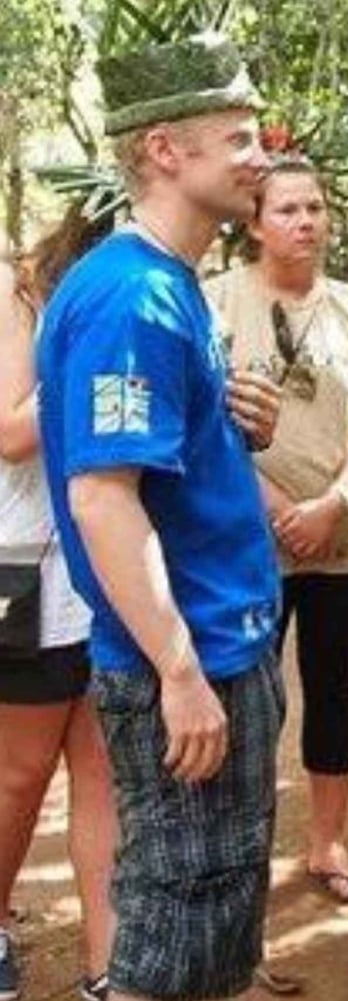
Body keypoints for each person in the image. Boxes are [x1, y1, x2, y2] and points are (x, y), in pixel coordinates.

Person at [35, 30, 284, 1001]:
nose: (258, 154)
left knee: (210, 910)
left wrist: (234, 424)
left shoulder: (167, 284)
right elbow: (102, 496)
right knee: (174, 925)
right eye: (238, 138)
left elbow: (153, 464)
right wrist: (180, 668)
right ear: (165, 152)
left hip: (224, 640)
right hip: (189, 656)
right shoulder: (132, 295)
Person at [204, 155, 348, 906]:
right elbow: (202, 420)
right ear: (254, 223)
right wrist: (277, 510)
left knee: (333, 688)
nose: (306, 221)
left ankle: (328, 845)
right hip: (249, 535)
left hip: (346, 536)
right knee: (249, 695)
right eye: (287, 209)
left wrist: (336, 501)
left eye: (316, 207)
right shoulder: (215, 301)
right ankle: (239, 861)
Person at [0, 206, 117, 1001]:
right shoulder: (21, 297)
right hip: (22, 563)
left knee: (104, 771)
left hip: (104, 558)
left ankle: (106, 963)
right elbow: (10, 431)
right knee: (20, 770)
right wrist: (94, 366)